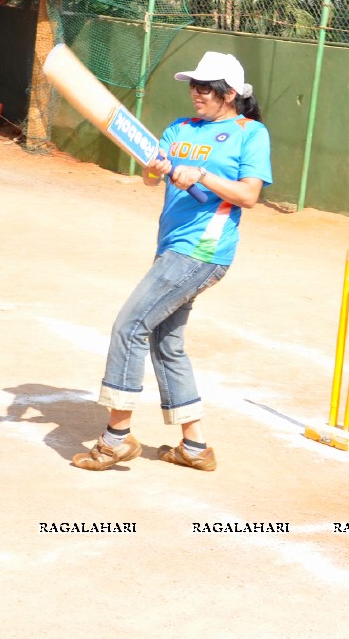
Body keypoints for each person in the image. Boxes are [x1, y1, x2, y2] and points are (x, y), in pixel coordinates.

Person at [71, 51, 272, 472]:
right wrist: (156, 167)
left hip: (202, 251)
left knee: (129, 326)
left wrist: (201, 175)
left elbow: (249, 196)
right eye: (193, 86)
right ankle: (194, 448)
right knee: (167, 342)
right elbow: (150, 176)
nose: (195, 93)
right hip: (172, 246)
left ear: (230, 93)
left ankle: (116, 439)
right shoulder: (179, 128)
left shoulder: (249, 133)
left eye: (205, 88)